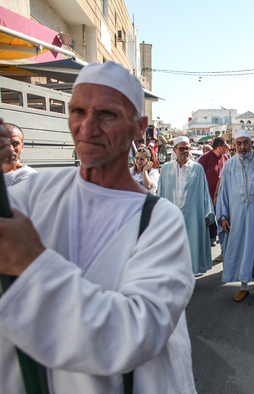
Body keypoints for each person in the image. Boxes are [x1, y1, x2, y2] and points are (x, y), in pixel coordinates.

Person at [0, 61, 197, 393]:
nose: (87, 128)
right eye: (78, 111)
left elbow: (134, 334)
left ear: (139, 128)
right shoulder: (30, 195)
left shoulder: (159, 220)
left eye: (106, 115)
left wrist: (32, 264)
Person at [216, 130, 254, 302]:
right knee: (240, 249)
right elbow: (223, 193)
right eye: (239, 143)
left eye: (246, 143)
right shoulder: (229, 165)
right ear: (234, 145)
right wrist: (223, 216)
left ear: (251, 143)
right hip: (237, 217)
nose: (242, 147)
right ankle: (243, 286)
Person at [159, 136, 214, 275]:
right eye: (181, 148)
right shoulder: (165, 169)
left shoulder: (197, 168)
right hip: (170, 217)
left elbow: (204, 191)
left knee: (191, 246)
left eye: (187, 148)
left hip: (193, 217)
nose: (184, 151)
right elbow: (160, 192)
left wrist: (207, 214)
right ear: (175, 150)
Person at [195, 137, 228, 256]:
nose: (227, 148)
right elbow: (197, 177)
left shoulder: (225, 157)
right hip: (206, 198)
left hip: (222, 197)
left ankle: (224, 250)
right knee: (206, 223)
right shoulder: (205, 158)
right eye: (225, 146)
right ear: (219, 147)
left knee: (223, 223)